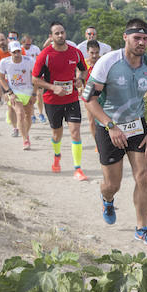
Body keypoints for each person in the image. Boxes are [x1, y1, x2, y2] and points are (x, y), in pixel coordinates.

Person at [83, 18, 147, 247]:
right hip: (109, 127)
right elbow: (88, 99)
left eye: (145, 39)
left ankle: (142, 228)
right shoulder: (107, 63)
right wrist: (110, 126)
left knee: (144, 175)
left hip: (137, 126)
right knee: (113, 184)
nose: (141, 42)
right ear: (125, 37)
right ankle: (107, 199)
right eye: (137, 38)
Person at [31, 21, 89, 180]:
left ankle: (78, 169)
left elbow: (84, 70)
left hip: (71, 99)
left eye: (62, 32)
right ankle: (57, 156)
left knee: (75, 133)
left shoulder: (75, 53)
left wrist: (80, 80)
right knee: (57, 134)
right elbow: (35, 79)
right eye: (56, 33)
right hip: (52, 100)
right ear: (51, 37)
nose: (60, 35)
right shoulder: (45, 55)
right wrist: (52, 87)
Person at [0, 40, 36, 150]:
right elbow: (1, 78)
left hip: (28, 91)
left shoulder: (29, 61)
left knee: (28, 116)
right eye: (14, 52)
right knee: (20, 113)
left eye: (18, 51)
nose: (17, 54)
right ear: (9, 52)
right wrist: (9, 92)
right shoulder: (4, 62)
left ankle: (25, 133)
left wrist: (34, 93)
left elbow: (36, 77)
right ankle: (25, 140)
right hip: (14, 92)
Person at [0, 33, 16, 134]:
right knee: (10, 104)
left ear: (6, 39)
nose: (1, 42)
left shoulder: (15, 50)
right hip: (5, 82)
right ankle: (15, 128)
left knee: (20, 106)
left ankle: (16, 119)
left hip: (18, 81)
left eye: (2, 40)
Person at [22, 35, 47, 123]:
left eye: (30, 44)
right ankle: (32, 115)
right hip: (26, 75)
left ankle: (41, 114)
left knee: (39, 94)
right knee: (30, 95)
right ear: (23, 43)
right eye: (27, 44)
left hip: (37, 74)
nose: (29, 46)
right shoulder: (20, 50)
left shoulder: (35, 48)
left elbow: (41, 60)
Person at [82, 39, 102, 146]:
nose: (94, 55)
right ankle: (97, 144)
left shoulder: (103, 62)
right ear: (87, 52)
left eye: (97, 52)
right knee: (91, 121)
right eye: (92, 53)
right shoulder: (84, 64)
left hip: (103, 95)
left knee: (103, 119)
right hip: (89, 95)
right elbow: (80, 77)